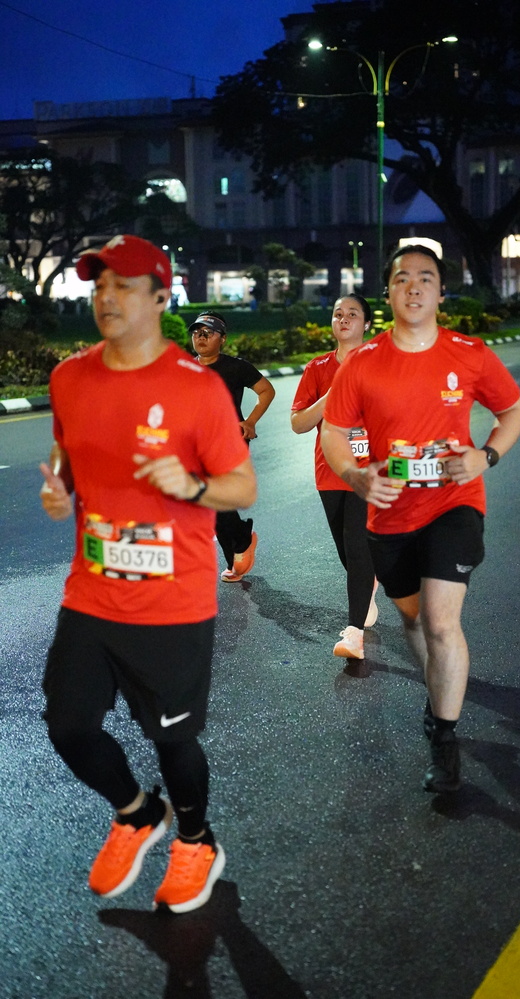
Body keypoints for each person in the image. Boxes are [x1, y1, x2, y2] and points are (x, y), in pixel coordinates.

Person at [39, 235, 257, 913]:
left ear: (162, 299)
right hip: (92, 590)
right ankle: (137, 813)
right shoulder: (70, 377)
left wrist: (192, 486)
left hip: (173, 601)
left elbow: (241, 485)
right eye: (100, 285)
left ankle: (196, 839)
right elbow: (67, 449)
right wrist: (59, 487)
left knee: (171, 737)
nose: (107, 297)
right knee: (68, 726)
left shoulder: (196, 387)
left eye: (124, 285)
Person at [320, 244, 520, 793]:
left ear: (440, 292)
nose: (414, 286)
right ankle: (438, 700)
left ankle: (444, 737)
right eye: (402, 278)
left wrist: (485, 456)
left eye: (426, 278)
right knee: (412, 622)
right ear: (388, 292)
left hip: (454, 503)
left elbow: (511, 411)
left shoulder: (469, 353)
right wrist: (356, 476)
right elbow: (333, 432)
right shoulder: (363, 362)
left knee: (439, 622)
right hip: (389, 514)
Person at [291, 294, 377, 660]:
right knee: (348, 553)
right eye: (338, 314)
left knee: (357, 548)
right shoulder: (317, 368)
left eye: (352, 314)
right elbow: (298, 424)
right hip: (329, 471)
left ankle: (354, 633)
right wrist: (330, 396)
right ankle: (368, 582)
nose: (343, 319)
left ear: (367, 324)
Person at [189, 310, 275, 582]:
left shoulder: (236, 367)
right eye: (197, 332)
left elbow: (266, 390)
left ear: (223, 339)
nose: (201, 337)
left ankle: (241, 544)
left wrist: (250, 421)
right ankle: (238, 551)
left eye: (208, 333)